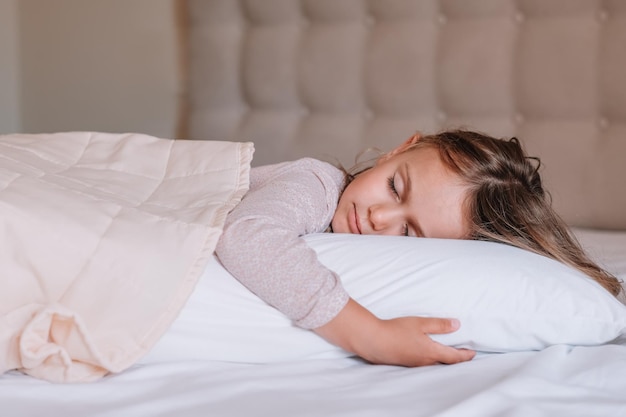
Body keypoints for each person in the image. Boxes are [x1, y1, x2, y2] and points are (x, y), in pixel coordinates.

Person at [215, 129, 622, 367]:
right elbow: (249, 235)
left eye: (409, 233)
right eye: (395, 186)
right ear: (399, 149)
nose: (379, 217)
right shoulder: (315, 184)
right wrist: (368, 334)